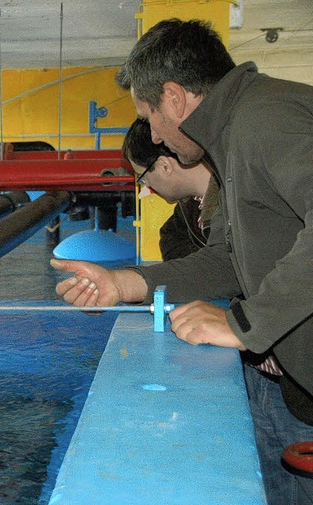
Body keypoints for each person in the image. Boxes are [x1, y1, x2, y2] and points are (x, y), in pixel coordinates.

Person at [51, 19, 313, 505]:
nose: (154, 133)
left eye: (149, 115)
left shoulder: (265, 119)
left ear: (173, 96)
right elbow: (230, 261)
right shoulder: (238, 134)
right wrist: (124, 283)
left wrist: (246, 323)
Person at [122, 118, 219, 260]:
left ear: (164, 166)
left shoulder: (233, 199)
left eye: (143, 178)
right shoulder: (188, 207)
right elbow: (171, 239)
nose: (147, 186)